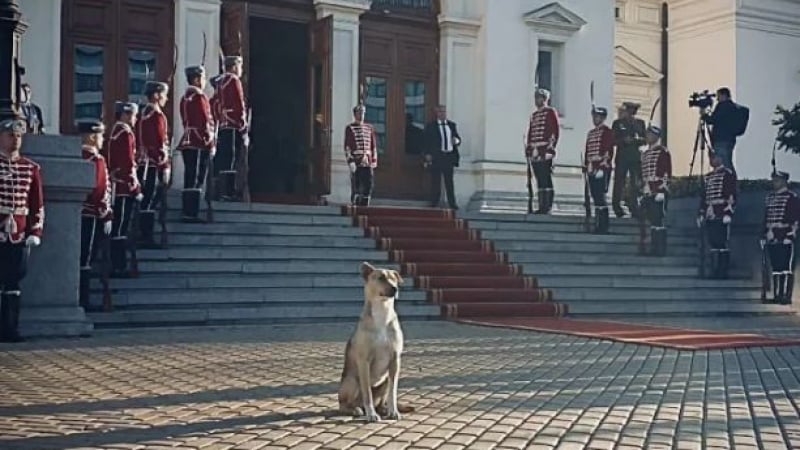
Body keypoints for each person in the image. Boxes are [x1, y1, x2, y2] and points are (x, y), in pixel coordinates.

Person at [0, 118, 44, 343]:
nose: (15, 140)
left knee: (14, 281)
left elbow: (37, 203)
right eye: (10, 135)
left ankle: (11, 328)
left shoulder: (30, 167)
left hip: (19, 231)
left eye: (18, 136)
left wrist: (35, 232)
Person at [79, 120, 113, 309]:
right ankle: (83, 298)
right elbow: (99, 190)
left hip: (78, 213)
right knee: (86, 258)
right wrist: (106, 214)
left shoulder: (76, 156)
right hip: (92, 214)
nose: (103, 139)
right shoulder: (96, 159)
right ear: (92, 137)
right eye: (100, 135)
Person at [107, 101, 142, 277]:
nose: (135, 119)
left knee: (119, 226)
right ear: (126, 115)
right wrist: (135, 188)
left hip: (118, 184)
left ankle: (118, 264)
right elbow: (128, 163)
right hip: (123, 187)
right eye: (134, 115)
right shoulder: (125, 133)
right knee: (120, 227)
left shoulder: (116, 131)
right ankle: (118, 265)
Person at [136, 81, 171, 248]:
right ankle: (145, 235)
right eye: (163, 95)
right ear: (156, 95)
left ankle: (144, 233)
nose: (166, 98)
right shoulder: (156, 116)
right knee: (149, 200)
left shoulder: (145, 114)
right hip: (152, 164)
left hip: (145, 163)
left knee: (148, 200)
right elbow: (159, 143)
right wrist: (164, 165)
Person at [178, 65, 215, 222]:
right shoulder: (199, 97)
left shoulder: (185, 98)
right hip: (199, 141)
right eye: (203, 77)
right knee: (196, 179)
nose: (205, 81)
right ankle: (191, 212)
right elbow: (204, 121)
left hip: (188, 139)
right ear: (196, 79)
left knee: (189, 176)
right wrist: (210, 142)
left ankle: (188, 210)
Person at [762, 171, 800, 304]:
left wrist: (790, 234)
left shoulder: (791, 197)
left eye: (777, 180)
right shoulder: (770, 198)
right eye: (774, 180)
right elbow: (766, 218)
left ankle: (786, 295)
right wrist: (764, 234)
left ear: (784, 181)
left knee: (786, 268)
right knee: (776, 268)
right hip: (772, 237)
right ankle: (777, 294)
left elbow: (795, 219)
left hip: (785, 236)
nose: (774, 182)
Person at [213, 55, 248, 201]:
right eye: (239, 67)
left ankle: (218, 191)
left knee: (223, 158)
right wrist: (243, 125)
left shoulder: (220, 82)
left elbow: (214, 104)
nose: (240, 70)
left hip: (222, 124)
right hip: (233, 124)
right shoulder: (233, 80)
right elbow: (239, 104)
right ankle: (228, 191)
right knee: (231, 158)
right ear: (233, 67)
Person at [697, 151, 737, 278]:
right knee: (713, 242)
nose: (712, 160)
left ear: (721, 158)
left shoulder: (727, 174)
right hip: (710, 212)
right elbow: (704, 197)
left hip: (721, 212)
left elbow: (731, 195)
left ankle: (722, 271)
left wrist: (728, 213)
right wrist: (701, 213)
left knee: (722, 243)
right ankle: (714, 270)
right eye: (711, 157)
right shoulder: (708, 177)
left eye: (715, 157)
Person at [525, 88, 560, 214]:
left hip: (545, 150)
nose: (537, 100)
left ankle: (548, 205)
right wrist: (529, 149)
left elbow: (554, 131)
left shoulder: (550, 112)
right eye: (536, 97)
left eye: (540, 97)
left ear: (545, 99)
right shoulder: (534, 115)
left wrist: (550, 148)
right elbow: (531, 133)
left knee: (546, 177)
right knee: (539, 178)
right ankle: (541, 205)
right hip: (535, 151)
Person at [640, 125, 672, 256]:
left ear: (656, 136)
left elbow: (666, 172)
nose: (647, 136)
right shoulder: (646, 153)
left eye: (650, 134)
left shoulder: (662, 152)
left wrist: (662, 190)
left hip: (658, 189)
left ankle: (660, 249)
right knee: (652, 220)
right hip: (648, 189)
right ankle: (653, 247)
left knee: (658, 219)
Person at [611, 102, 646, 218]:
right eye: (629, 111)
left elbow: (645, 139)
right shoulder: (618, 123)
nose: (630, 114)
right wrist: (623, 141)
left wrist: (636, 140)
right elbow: (613, 140)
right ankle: (617, 207)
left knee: (635, 183)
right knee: (619, 182)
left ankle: (634, 207)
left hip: (635, 157)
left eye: (633, 112)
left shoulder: (640, 123)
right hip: (622, 157)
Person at [583, 107, 614, 233]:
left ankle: (603, 225)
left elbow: (608, 150)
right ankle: (598, 223)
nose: (595, 119)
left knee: (601, 197)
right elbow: (587, 151)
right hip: (591, 167)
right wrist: (587, 165)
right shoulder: (591, 133)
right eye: (594, 116)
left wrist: (602, 167)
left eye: (597, 117)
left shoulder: (607, 132)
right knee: (595, 196)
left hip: (601, 167)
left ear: (603, 118)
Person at [424, 105, 461, 210]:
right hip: (437, 156)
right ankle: (434, 202)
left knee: (449, 182)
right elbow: (426, 142)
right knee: (435, 181)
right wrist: (427, 154)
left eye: (444, 111)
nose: (442, 114)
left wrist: (456, 141)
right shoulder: (431, 126)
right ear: (436, 113)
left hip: (449, 156)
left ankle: (452, 203)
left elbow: (457, 138)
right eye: (440, 111)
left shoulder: (452, 125)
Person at [344, 104, 378, 207]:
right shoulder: (350, 128)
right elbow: (347, 147)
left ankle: (365, 203)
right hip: (356, 160)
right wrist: (351, 161)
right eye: (359, 113)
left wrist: (374, 160)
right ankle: (355, 202)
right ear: (355, 114)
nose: (361, 115)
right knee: (356, 184)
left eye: (363, 113)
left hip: (367, 160)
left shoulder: (369, 128)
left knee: (368, 183)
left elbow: (373, 145)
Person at [703, 87, 739, 173]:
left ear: (724, 95)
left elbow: (713, 120)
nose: (717, 99)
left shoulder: (723, 106)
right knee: (727, 163)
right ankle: (731, 183)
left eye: (718, 96)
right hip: (729, 140)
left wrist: (704, 115)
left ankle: (730, 184)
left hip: (721, 140)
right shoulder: (732, 107)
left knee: (724, 165)